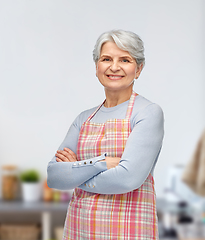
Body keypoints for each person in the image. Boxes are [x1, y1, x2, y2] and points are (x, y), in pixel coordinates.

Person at [47, 29, 164, 240]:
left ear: (138, 69)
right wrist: (102, 163)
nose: (114, 67)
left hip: (128, 231)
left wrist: (75, 173)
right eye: (106, 58)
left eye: (125, 60)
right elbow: (55, 176)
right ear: (97, 67)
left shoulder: (147, 112)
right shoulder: (84, 119)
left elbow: (128, 178)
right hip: (80, 229)